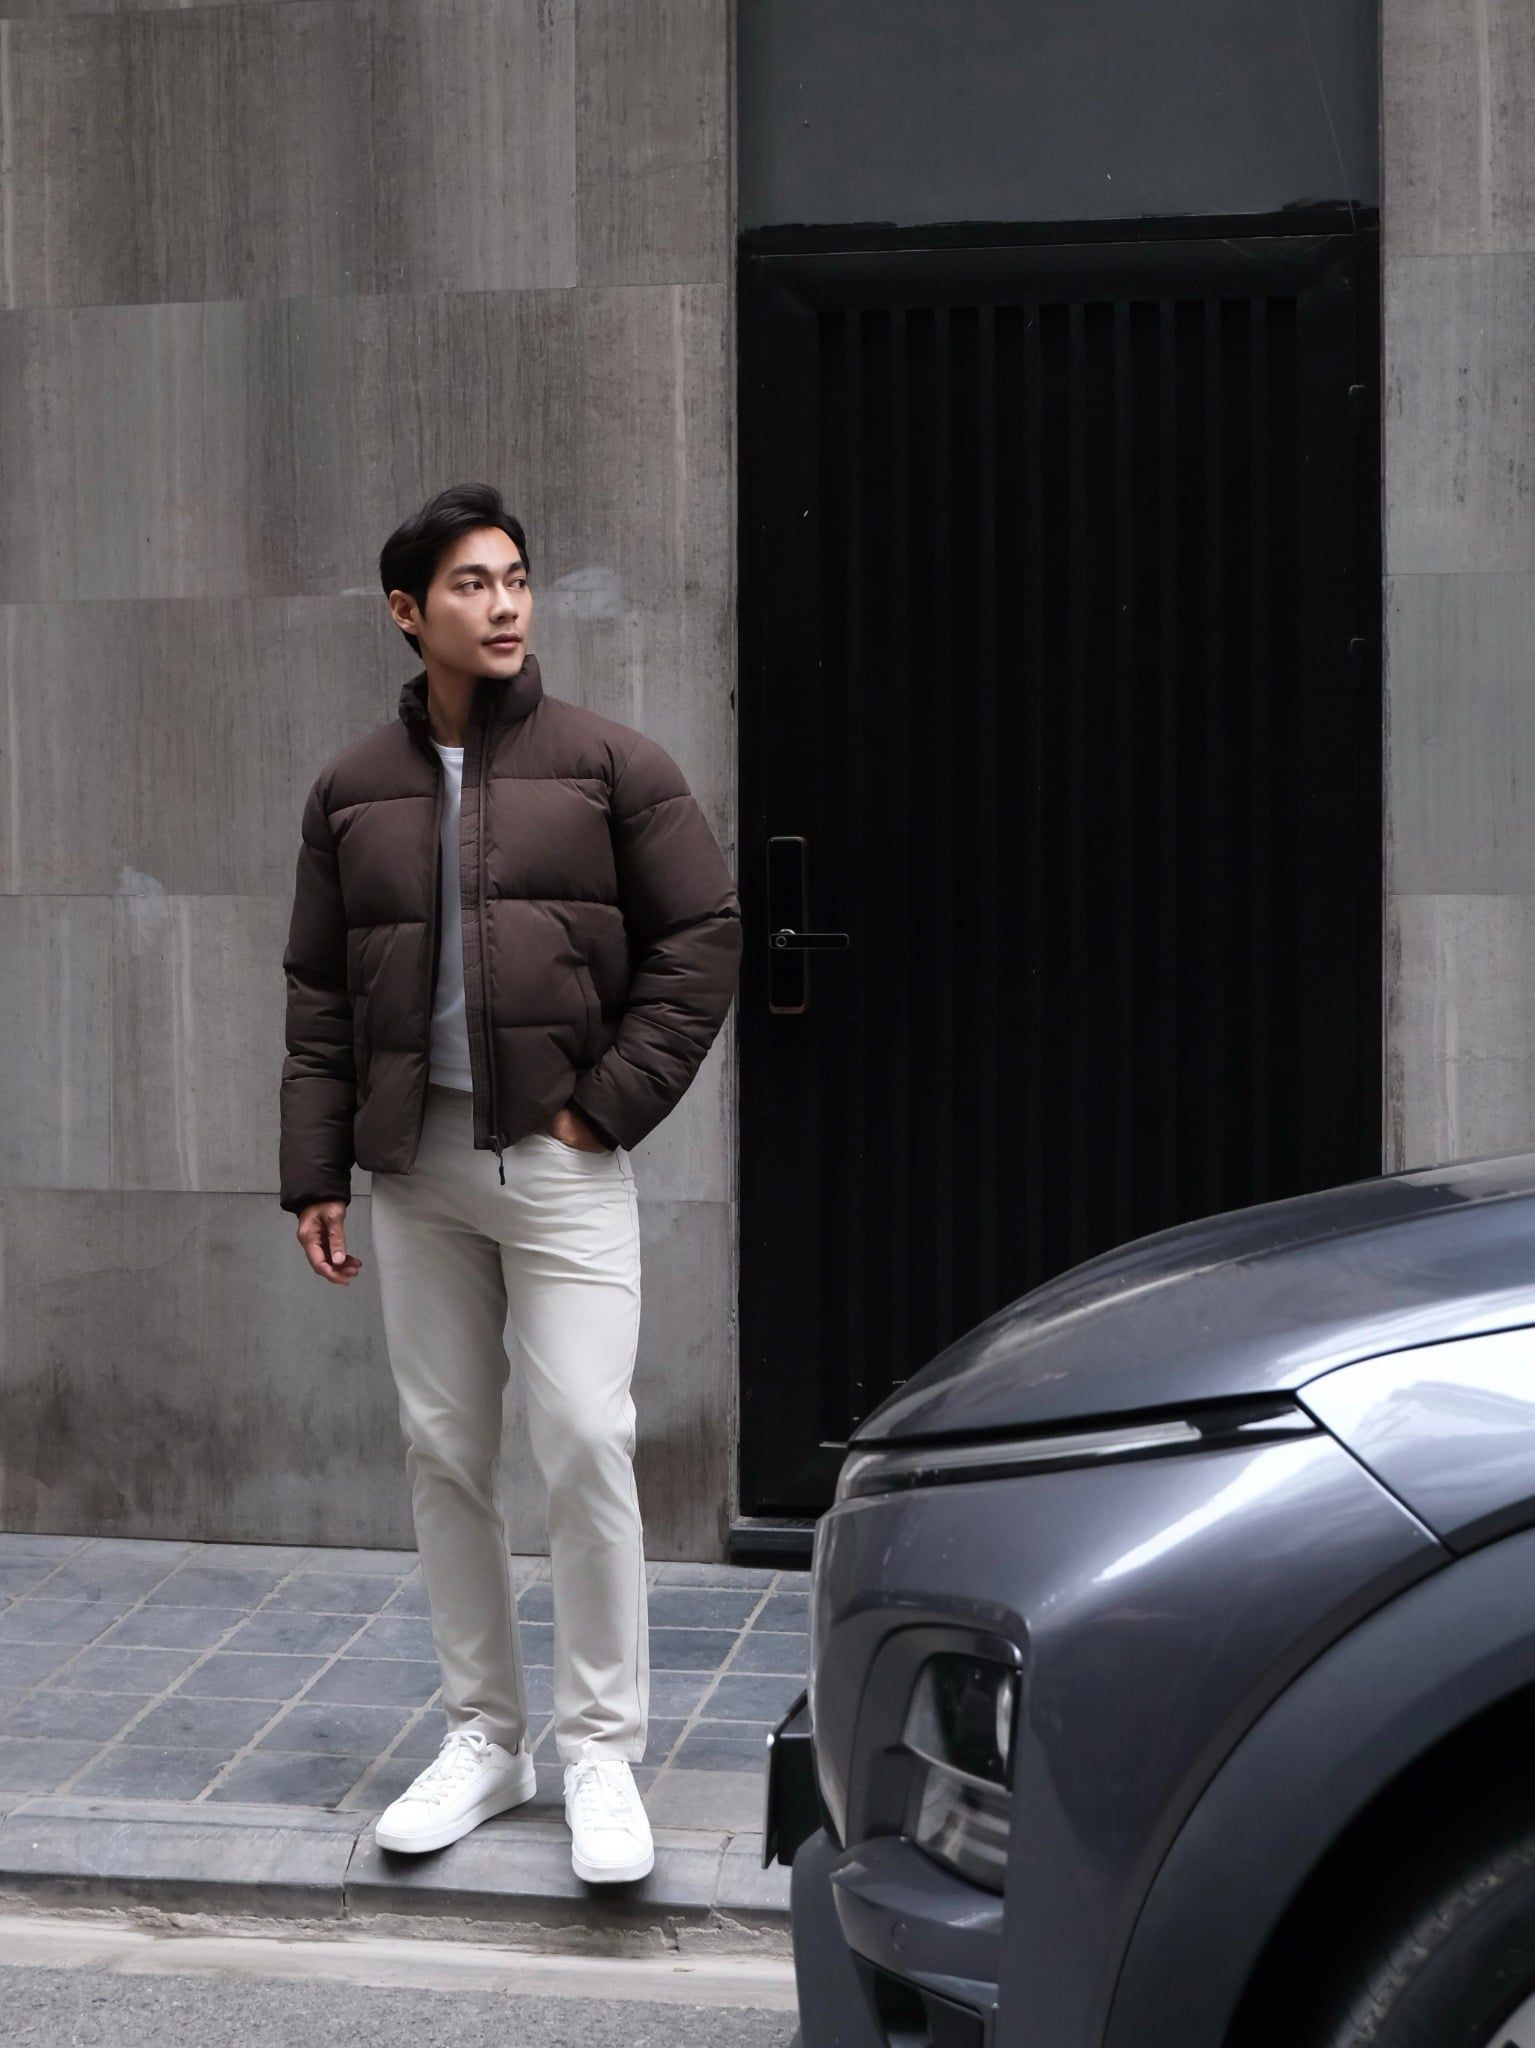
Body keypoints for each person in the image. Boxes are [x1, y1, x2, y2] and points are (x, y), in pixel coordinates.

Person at [277, 481, 742, 1882]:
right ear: (407, 611)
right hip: (418, 1168)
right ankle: (485, 1735)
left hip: (557, 1159)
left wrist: (607, 1107)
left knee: (588, 1440)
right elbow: (318, 992)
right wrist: (317, 1166)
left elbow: (704, 934)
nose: (504, 605)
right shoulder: (351, 788)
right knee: (444, 1452)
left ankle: (602, 1751)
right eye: (472, 584)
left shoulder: (609, 764)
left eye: (517, 579)